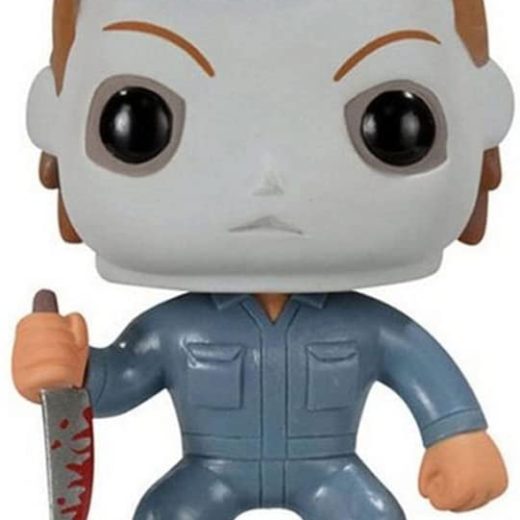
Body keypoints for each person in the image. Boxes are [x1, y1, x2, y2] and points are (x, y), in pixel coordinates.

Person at [13, 0, 514, 518]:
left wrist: (458, 435)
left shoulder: (375, 329)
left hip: (332, 473)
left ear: (487, 113)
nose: (266, 177)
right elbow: (118, 382)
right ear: (52, 117)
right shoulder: (171, 331)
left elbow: (422, 371)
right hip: (208, 474)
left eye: (393, 124)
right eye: (141, 123)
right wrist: (68, 368)